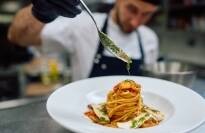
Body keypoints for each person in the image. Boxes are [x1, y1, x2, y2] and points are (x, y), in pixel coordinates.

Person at [8, 0, 160, 81]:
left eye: (146, 14)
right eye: (132, 9)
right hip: (88, 120)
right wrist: (39, 11)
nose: (135, 22)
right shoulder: (82, 26)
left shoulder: (149, 38)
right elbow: (17, 36)